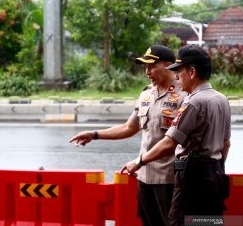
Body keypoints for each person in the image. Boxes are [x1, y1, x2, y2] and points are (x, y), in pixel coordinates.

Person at [69, 45, 187, 226]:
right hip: (145, 176)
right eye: (145, 67)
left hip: (170, 178)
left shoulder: (184, 95)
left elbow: (174, 141)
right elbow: (128, 127)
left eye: (152, 66)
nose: (147, 71)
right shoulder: (146, 94)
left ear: (168, 65)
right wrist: (94, 134)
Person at [122, 44, 231, 226]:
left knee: (179, 222)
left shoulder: (193, 103)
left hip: (193, 179)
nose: (178, 79)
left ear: (192, 72)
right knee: (207, 222)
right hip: (216, 175)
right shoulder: (222, 99)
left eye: (179, 72)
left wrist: (139, 162)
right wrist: (216, 168)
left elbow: (169, 142)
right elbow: (226, 143)